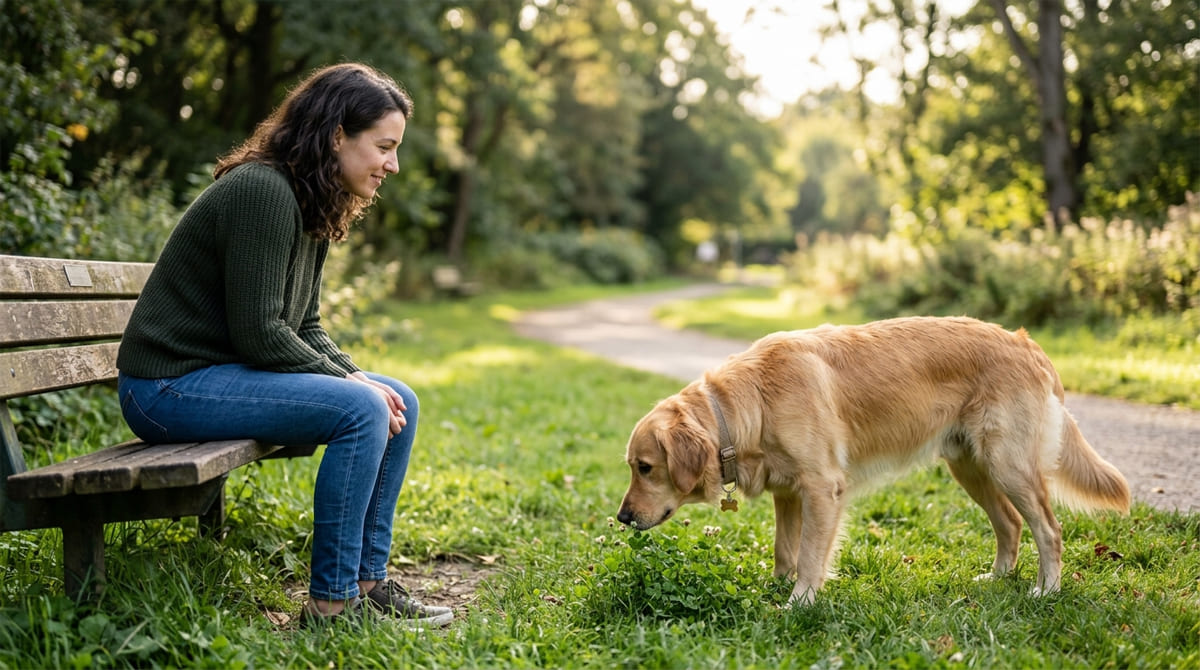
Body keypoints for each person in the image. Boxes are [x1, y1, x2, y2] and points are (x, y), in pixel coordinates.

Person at [115, 62, 452, 629]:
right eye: (384, 147)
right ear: (337, 135)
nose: (393, 165)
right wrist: (352, 386)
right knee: (363, 408)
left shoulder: (311, 198)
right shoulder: (262, 191)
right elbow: (260, 332)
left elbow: (307, 324)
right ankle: (331, 607)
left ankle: (368, 585)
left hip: (213, 377)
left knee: (399, 400)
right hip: (165, 388)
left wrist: (355, 374)